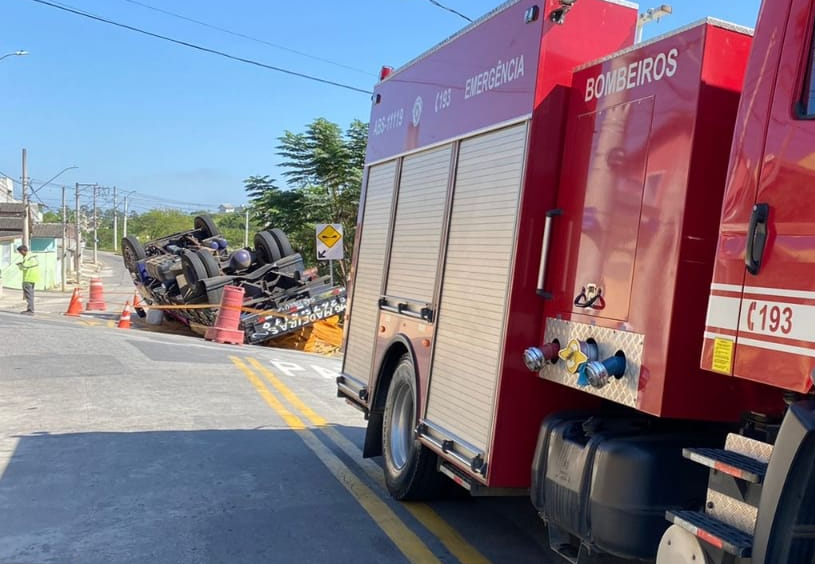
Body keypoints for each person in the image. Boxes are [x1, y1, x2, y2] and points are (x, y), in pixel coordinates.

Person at [16, 245, 40, 315]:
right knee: (31, 295)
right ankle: (30, 309)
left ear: (23, 251)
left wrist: (19, 265)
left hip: (28, 278)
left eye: (20, 252)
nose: (20, 254)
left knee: (29, 295)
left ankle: (30, 310)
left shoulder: (27, 257)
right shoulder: (34, 256)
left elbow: (24, 267)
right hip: (33, 278)